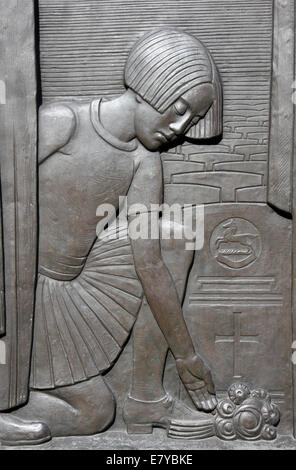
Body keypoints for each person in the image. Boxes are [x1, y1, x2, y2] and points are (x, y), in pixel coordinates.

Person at [2, 28, 222, 444]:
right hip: (16, 291)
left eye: (190, 120)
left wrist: (187, 356)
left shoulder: (144, 163)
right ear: (152, 83)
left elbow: (150, 262)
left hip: (70, 293)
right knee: (93, 410)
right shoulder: (62, 124)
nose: (179, 128)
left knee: (97, 413)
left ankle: (146, 398)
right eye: (177, 110)